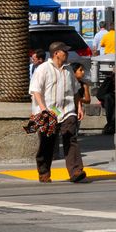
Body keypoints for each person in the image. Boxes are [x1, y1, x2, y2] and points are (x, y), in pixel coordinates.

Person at [28, 40, 87, 184]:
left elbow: (75, 91)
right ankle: (44, 172)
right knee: (47, 143)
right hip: (47, 111)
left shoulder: (68, 71)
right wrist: (43, 110)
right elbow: (36, 91)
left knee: (71, 138)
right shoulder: (43, 69)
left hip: (67, 111)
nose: (67, 54)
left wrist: (78, 106)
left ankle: (76, 171)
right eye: (64, 51)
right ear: (56, 53)